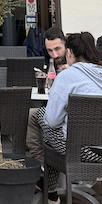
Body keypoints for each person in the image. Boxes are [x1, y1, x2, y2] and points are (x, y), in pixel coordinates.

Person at [35, 31, 102, 204]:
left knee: (41, 116)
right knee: (53, 125)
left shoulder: (67, 76)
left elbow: (52, 121)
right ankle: (48, 185)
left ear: (69, 53)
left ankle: (47, 184)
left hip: (82, 150)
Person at [26, 26, 68, 164]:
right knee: (32, 115)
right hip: (51, 105)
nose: (54, 55)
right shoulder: (45, 58)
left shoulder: (75, 60)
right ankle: (42, 164)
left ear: (65, 44)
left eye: (57, 49)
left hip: (72, 112)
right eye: (50, 50)